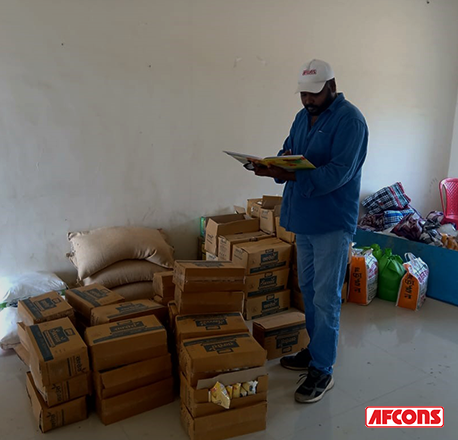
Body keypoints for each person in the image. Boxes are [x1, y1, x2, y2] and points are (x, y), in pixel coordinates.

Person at [251, 59, 368, 403]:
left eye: (314, 94)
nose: (308, 100)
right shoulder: (302, 117)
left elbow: (339, 173)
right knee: (307, 289)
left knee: (326, 296)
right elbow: (289, 150)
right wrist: (271, 165)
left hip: (331, 221)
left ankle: (323, 369)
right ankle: (314, 351)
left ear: (332, 86)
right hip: (304, 217)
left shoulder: (351, 121)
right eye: (303, 94)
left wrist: (295, 176)